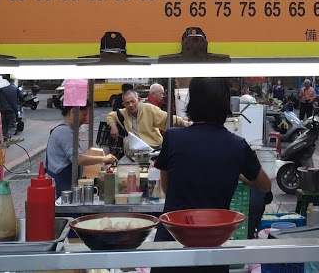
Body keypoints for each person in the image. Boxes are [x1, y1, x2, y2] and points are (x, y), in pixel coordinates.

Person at [153, 77, 271, 273]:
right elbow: (265, 185)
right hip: (212, 245)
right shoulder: (237, 146)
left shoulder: (173, 137)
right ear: (225, 103)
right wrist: (237, 173)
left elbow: (167, 187)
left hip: (172, 244)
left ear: (192, 101)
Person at [46, 102, 117, 194]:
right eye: (84, 114)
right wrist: (104, 158)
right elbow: (77, 159)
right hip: (62, 187)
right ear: (73, 112)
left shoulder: (64, 129)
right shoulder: (64, 132)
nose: (86, 120)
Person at [108, 89, 189, 148]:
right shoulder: (123, 113)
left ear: (139, 100)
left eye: (133, 101)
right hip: (134, 151)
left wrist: (182, 122)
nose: (131, 105)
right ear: (123, 104)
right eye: (127, 103)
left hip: (153, 148)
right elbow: (111, 115)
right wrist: (113, 125)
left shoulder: (149, 109)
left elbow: (165, 117)